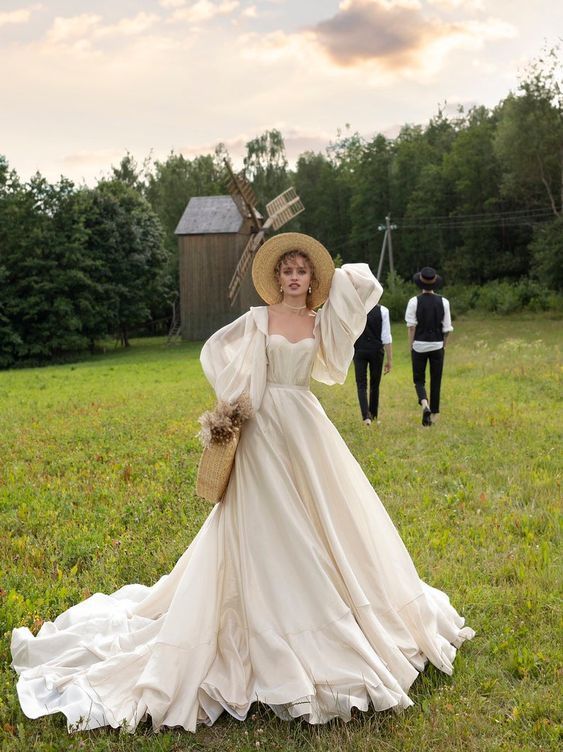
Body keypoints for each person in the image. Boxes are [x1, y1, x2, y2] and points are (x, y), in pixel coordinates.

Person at [11, 234, 473, 734]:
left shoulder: (320, 322)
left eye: (302, 272)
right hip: (263, 429)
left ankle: (331, 608)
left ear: (312, 279)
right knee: (262, 519)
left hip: (305, 428)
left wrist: (336, 280)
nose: (293, 278)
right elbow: (216, 352)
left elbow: (362, 286)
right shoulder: (258, 319)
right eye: (287, 271)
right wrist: (233, 403)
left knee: (323, 519)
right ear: (276, 279)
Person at [405, 267, 453, 426]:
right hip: (437, 345)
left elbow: (411, 327)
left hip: (419, 345)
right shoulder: (444, 302)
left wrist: (411, 345)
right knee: (436, 379)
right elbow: (447, 328)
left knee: (419, 380)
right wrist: (444, 346)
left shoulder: (414, 301)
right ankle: (434, 415)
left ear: (420, 284)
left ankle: (425, 403)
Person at [353, 303, 392, 425]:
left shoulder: (355, 309)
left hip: (359, 350)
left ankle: (366, 417)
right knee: (375, 385)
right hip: (376, 351)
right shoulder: (383, 310)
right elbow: (386, 337)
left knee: (361, 385)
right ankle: (373, 415)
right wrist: (389, 359)